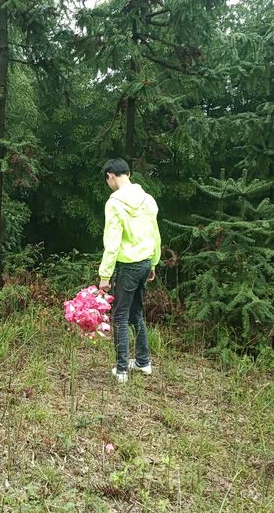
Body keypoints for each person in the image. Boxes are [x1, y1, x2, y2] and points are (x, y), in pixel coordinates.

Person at [98, 158, 161, 383]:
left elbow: (112, 242)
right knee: (136, 313)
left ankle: (122, 369)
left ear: (110, 176)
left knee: (120, 316)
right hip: (145, 262)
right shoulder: (148, 199)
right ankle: (143, 362)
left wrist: (105, 275)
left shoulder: (114, 203)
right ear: (129, 174)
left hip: (128, 266)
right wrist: (153, 263)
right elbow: (155, 234)